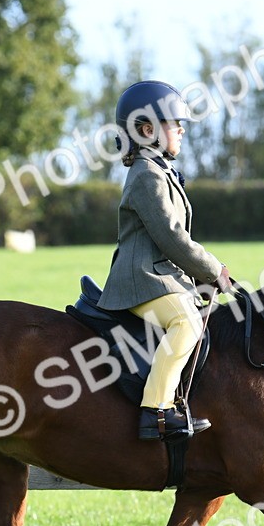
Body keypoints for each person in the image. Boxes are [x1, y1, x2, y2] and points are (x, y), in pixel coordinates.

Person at [97, 80, 232, 441]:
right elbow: (172, 237)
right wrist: (212, 269)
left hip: (160, 277)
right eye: (175, 123)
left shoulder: (158, 170)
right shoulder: (145, 175)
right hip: (141, 281)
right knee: (186, 321)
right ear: (147, 131)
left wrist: (200, 280)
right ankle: (155, 412)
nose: (182, 129)